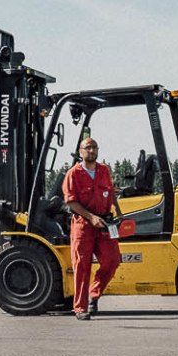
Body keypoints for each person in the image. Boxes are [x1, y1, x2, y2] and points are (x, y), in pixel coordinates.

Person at [56, 136, 121, 320]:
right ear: (80, 151)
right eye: (88, 148)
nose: (91, 151)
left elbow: (110, 192)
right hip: (83, 225)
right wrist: (91, 217)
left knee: (112, 260)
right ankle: (80, 308)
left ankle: (94, 294)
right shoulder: (73, 174)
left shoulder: (104, 170)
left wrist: (119, 212)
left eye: (94, 147)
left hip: (104, 223)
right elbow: (71, 202)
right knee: (82, 266)